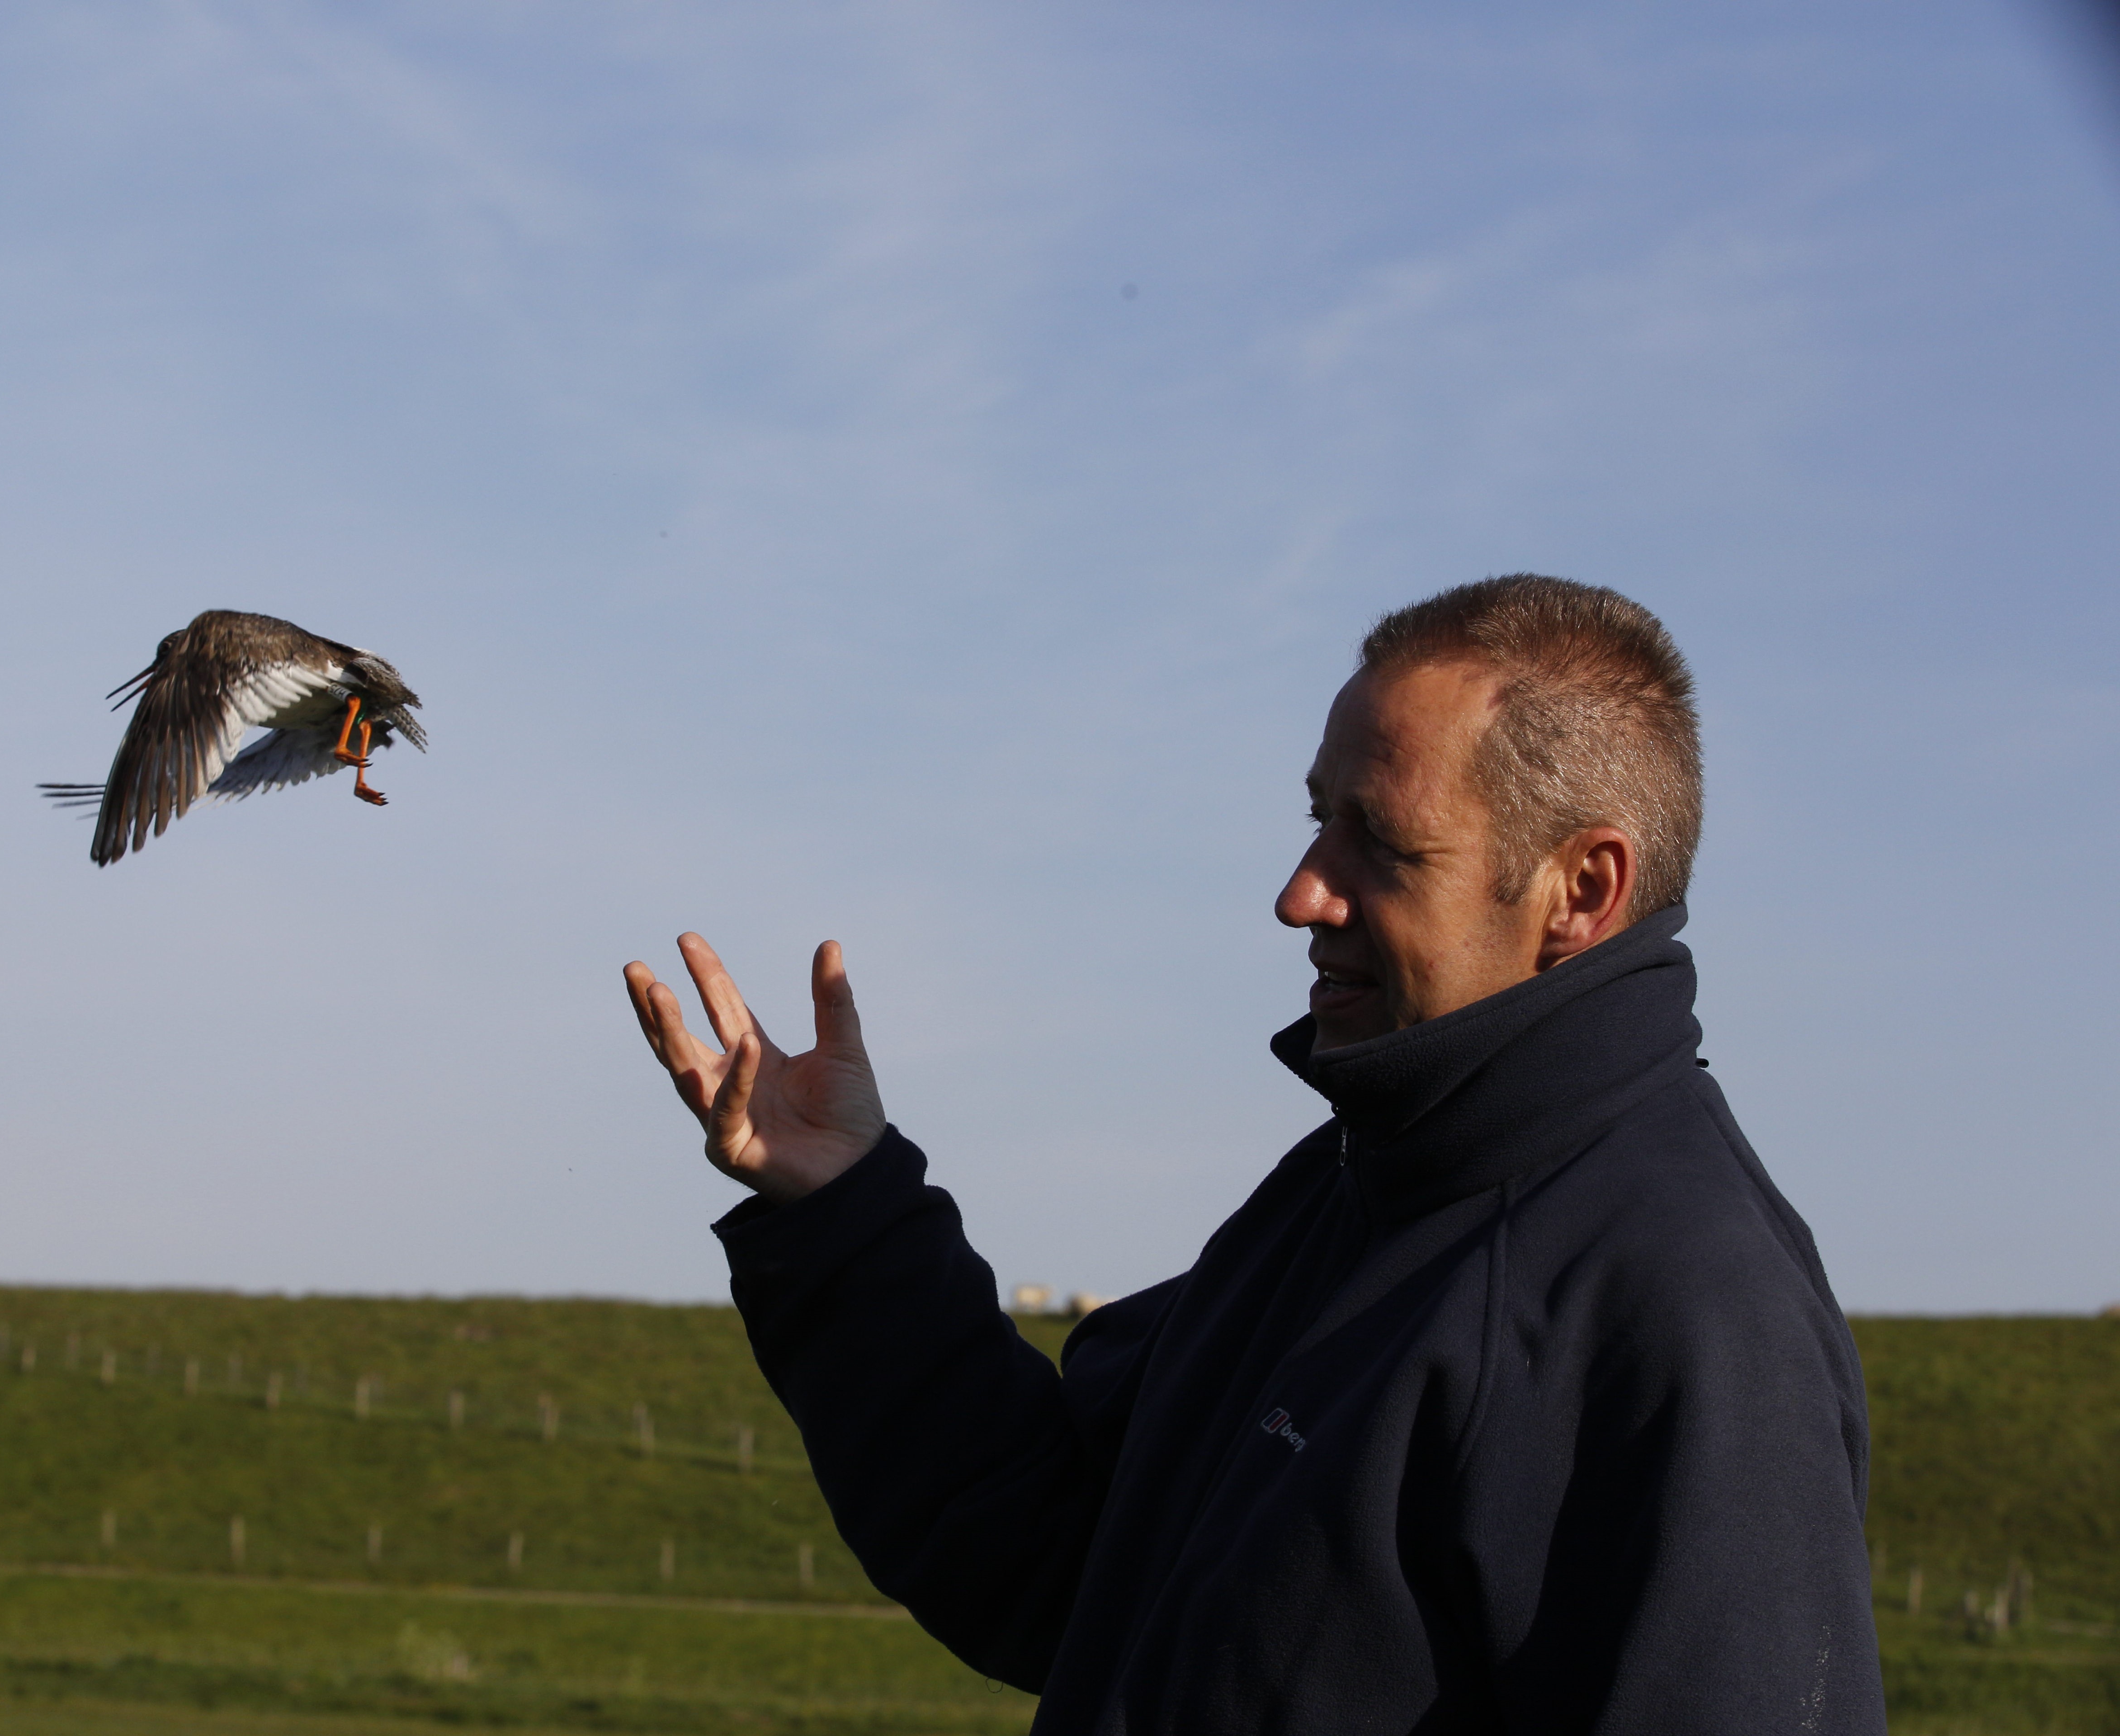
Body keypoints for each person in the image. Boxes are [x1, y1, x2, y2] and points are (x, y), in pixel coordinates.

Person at [623, 575, 1884, 1733]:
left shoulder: (1691, 1315)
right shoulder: (1347, 1194)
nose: (1301, 891)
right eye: (1315, 819)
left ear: (1584, 890)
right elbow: (1056, 1566)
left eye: (1381, 844)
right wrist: (845, 1211)